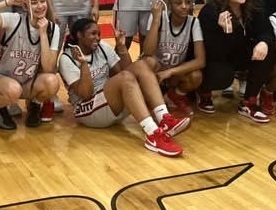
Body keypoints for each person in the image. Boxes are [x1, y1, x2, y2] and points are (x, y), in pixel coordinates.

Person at [58, 19, 189, 157]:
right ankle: (153, 134)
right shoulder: (66, 59)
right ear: (79, 35)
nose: (97, 38)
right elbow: (86, 94)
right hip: (87, 110)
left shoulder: (101, 46)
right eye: (93, 34)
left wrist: (121, 47)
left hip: (109, 103)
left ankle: (164, 118)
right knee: (125, 77)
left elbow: (125, 71)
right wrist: (84, 64)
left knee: (142, 65)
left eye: (99, 34)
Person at [0, 0, 61, 129]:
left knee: (52, 81)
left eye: (43, 1)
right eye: (34, 2)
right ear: (25, 7)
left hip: (27, 82)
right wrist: (8, 2)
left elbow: (49, 68)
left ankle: (35, 105)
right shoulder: (14, 20)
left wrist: (43, 35)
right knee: (14, 89)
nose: (40, 6)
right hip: (1, 81)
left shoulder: (53, 29)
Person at [197, 0, 275, 123]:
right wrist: (223, 32)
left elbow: (266, 31)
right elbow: (213, 52)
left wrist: (263, 42)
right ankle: (204, 92)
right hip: (219, 58)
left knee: (268, 51)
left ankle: (249, 102)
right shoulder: (210, 11)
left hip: (242, 53)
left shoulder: (255, 5)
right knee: (223, 77)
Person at [142, 0, 206, 116]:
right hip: (155, 72)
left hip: (173, 73)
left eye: (187, 2)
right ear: (170, 4)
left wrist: (170, 72)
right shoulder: (158, 17)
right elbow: (148, 51)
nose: (184, 6)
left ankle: (174, 96)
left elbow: (200, 61)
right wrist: (155, 20)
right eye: (178, 3)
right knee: (149, 61)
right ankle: (151, 98)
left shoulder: (193, 22)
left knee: (196, 76)